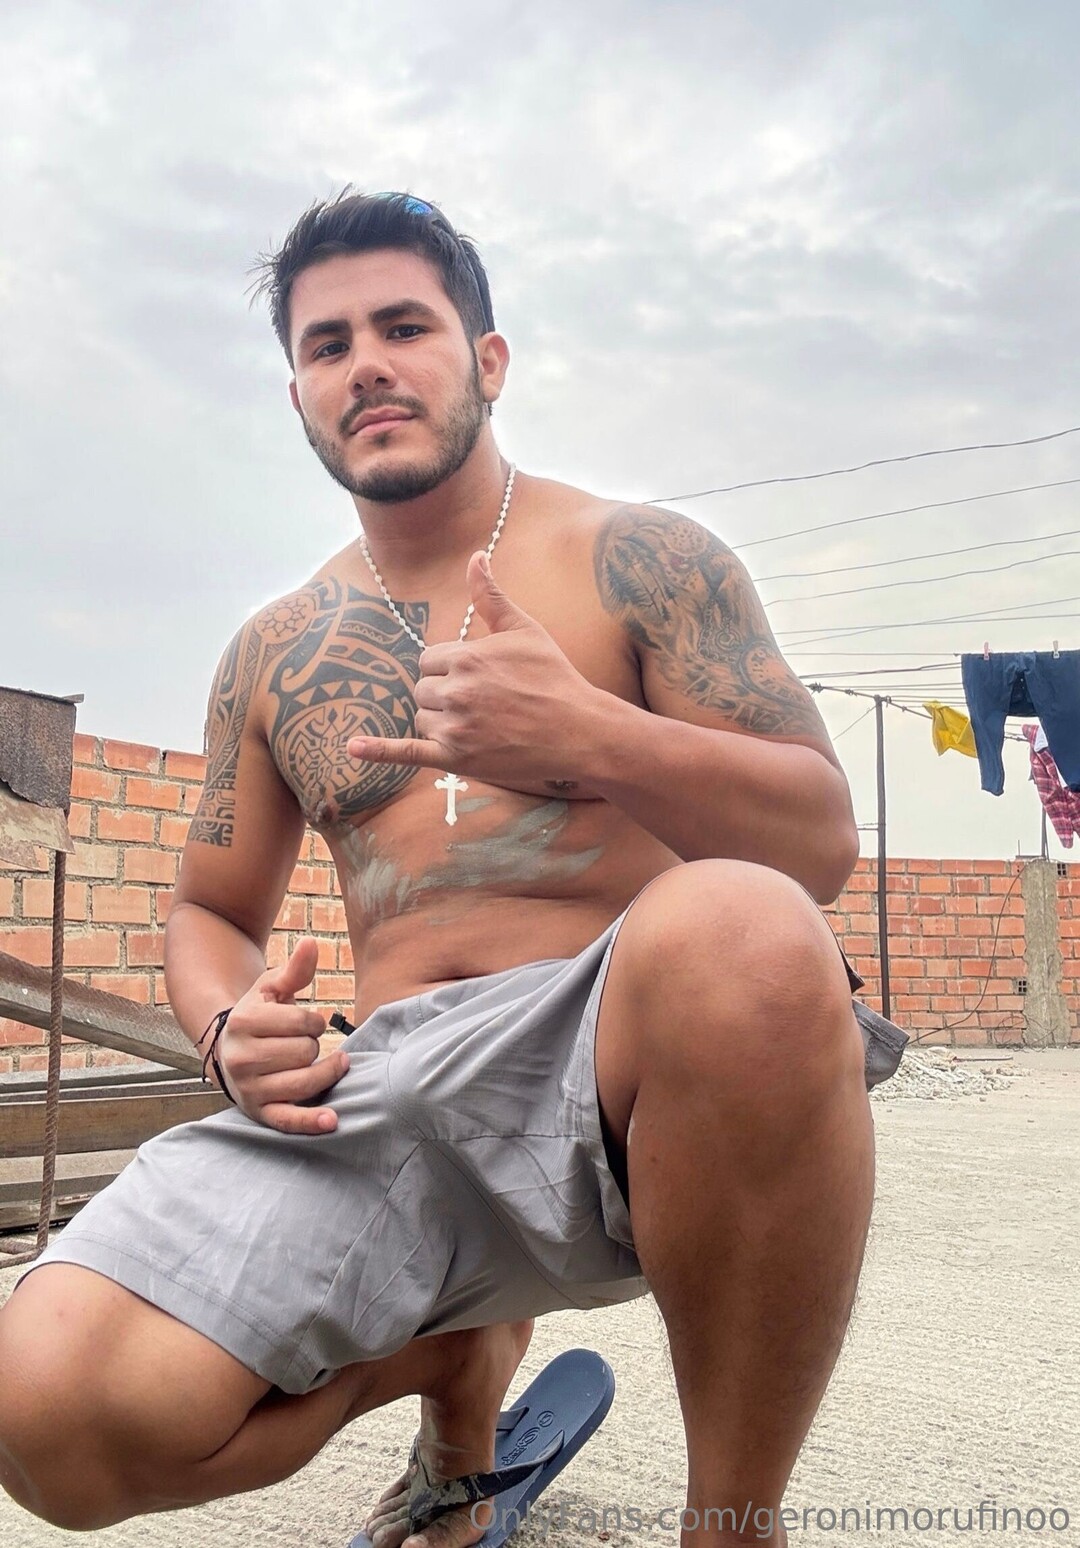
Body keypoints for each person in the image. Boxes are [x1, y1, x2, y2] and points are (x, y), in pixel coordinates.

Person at [0, 192, 906, 1547]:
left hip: (611, 1082)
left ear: (486, 359)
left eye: (403, 326)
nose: (365, 364)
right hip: (382, 1094)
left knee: (749, 928)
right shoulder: (274, 650)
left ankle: (731, 1521)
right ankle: (444, 1365)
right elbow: (208, 909)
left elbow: (819, 842)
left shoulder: (639, 561)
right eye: (327, 345)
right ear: (299, 398)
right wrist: (229, 1028)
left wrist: (592, 737)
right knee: (46, 1412)